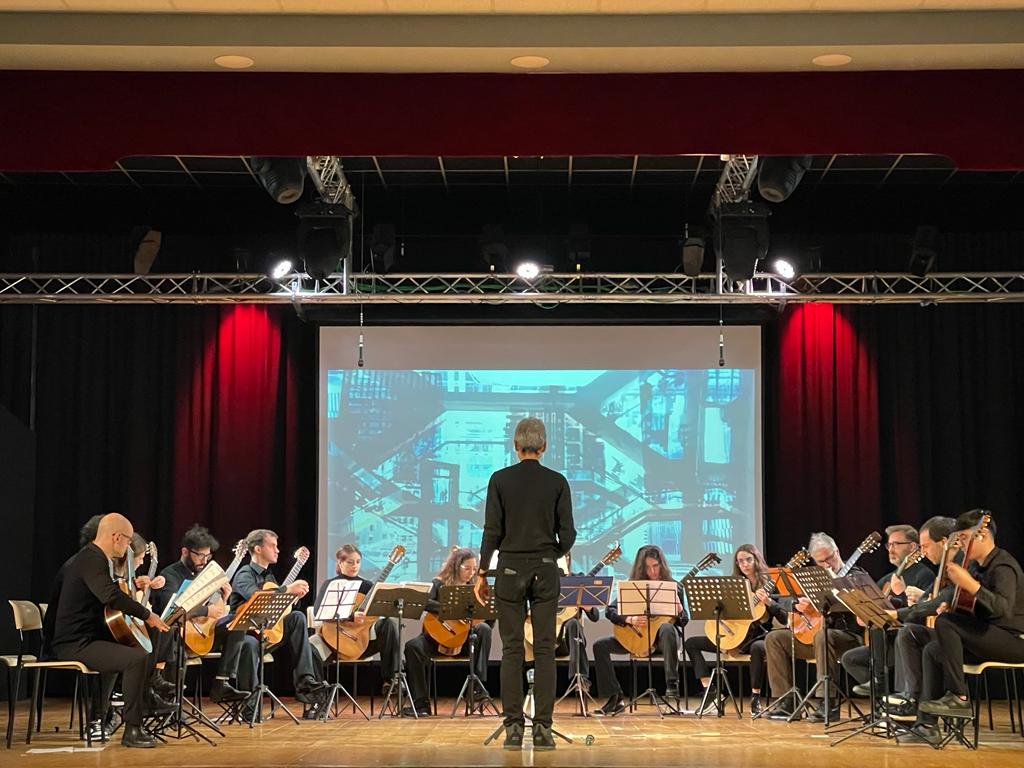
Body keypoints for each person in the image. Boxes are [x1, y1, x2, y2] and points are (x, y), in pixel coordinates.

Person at [475, 417, 576, 751]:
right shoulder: (557, 481)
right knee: (545, 649)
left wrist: (481, 572)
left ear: (515, 446)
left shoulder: (500, 479)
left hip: (509, 569)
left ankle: (514, 730)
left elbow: (492, 530)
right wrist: (550, 553)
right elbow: (568, 534)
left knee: (512, 649)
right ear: (544, 446)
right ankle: (543, 730)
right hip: (545, 569)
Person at [50, 513, 170, 748]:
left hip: (88, 639)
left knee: (133, 649)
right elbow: (110, 595)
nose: (128, 547)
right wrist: (147, 615)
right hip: (74, 644)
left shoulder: (96, 558)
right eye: (128, 541)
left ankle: (133, 705)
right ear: (116, 537)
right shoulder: (91, 559)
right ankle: (132, 730)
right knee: (136, 659)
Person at [916, 511, 1024, 731]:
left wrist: (970, 585)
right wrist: (953, 608)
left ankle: (959, 697)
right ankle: (926, 725)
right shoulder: (975, 566)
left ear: (981, 535)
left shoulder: (1003, 566)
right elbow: (976, 610)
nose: (961, 545)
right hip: (988, 636)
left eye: (964, 538)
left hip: (1014, 641)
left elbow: (1002, 610)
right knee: (933, 650)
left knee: (945, 622)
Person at [764, 532, 866, 723]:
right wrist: (797, 605)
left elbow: (863, 606)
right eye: (820, 561)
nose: (826, 564)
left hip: (848, 638)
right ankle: (787, 701)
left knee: (822, 636)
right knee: (774, 639)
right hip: (814, 635)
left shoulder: (856, 575)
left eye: (829, 558)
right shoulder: (813, 578)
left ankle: (827, 702)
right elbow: (785, 598)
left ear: (837, 551)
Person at [227, 529, 327, 708]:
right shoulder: (244, 574)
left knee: (297, 617)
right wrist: (287, 590)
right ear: (258, 549)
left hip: (267, 632)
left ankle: (305, 680)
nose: (277, 550)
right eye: (272, 546)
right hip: (245, 635)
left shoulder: (269, 576)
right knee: (249, 643)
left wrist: (292, 598)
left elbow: (276, 607)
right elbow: (255, 596)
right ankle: (250, 705)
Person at [684, 544, 787, 715]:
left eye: (748, 559)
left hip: (755, 638)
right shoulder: (734, 585)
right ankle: (711, 691)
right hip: (732, 636)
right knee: (691, 643)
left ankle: (755, 698)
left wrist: (769, 602)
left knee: (757, 648)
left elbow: (784, 618)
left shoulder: (770, 584)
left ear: (756, 560)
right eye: (740, 561)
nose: (745, 564)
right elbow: (724, 610)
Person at [150, 524, 247, 705]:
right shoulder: (170, 575)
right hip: (176, 635)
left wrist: (223, 598)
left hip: (201, 633)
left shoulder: (204, 575)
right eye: (200, 555)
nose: (204, 560)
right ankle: (171, 703)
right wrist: (206, 610)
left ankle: (221, 682)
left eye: (208, 556)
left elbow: (214, 611)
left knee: (237, 623)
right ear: (185, 552)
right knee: (177, 650)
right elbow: (170, 610)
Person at [839, 524, 934, 697]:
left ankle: (881, 682)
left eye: (896, 544)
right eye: (889, 545)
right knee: (850, 659)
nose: (891, 549)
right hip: (885, 645)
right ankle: (884, 697)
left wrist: (901, 594)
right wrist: (863, 614)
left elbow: (923, 614)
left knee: (879, 621)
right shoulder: (887, 578)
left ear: (913, 547)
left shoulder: (923, 575)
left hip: (909, 640)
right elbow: (871, 606)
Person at [591, 544, 685, 717]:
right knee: (599, 646)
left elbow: (683, 622)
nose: (652, 571)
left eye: (655, 566)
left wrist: (680, 611)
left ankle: (672, 685)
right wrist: (629, 619)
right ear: (641, 568)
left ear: (662, 565)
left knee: (667, 627)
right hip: (637, 638)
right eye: (648, 567)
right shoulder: (633, 586)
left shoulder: (673, 586)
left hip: (661, 642)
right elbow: (610, 611)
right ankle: (615, 697)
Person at [403, 547, 493, 718]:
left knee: (484, 629)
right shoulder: (439, 583)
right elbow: (425, 603)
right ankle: (421, 704)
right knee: (412, 646)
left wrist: (485, 617)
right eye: (467, 568)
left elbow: (488, 619)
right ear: (456, 566)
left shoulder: (476, 588)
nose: (471, 572)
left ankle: (477, 688)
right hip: (436, 639)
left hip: (464, 642)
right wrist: (452, 609)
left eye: (474, 569)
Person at [311, 543, 400, 690]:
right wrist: (351, 616)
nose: (355, 566)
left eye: (358, 562)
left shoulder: (367, 586)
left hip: (361, 641)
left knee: (389, 624)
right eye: (350, 562)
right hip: (334, 641)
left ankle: (391, 681)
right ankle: (318, 693)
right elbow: (318, 612)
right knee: (310, 648)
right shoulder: (330, 585)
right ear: (340, 562)